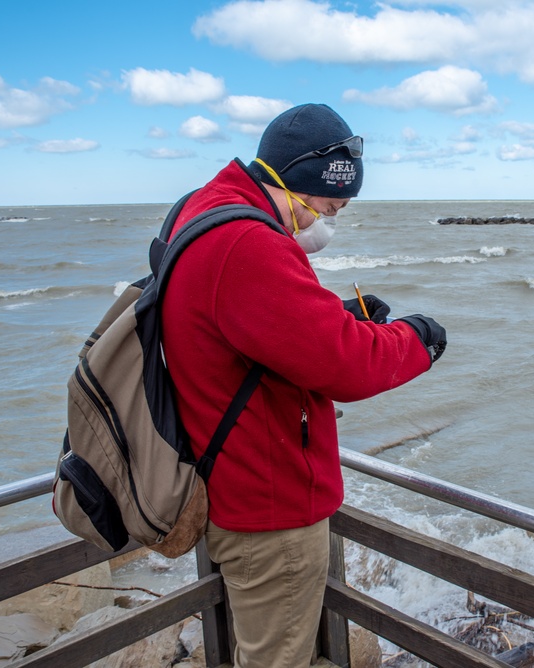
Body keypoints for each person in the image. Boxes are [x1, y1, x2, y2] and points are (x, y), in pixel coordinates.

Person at [160, 103, 447, 667]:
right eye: (331, 206)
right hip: (269, 507)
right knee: (277, 661)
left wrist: (337, 315)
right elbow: (347, 367)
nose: (329, 221)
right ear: (300, 185)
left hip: (230, 482)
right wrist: (419, 338)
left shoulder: (207, 212)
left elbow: (243, 328)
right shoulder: (249, 243)